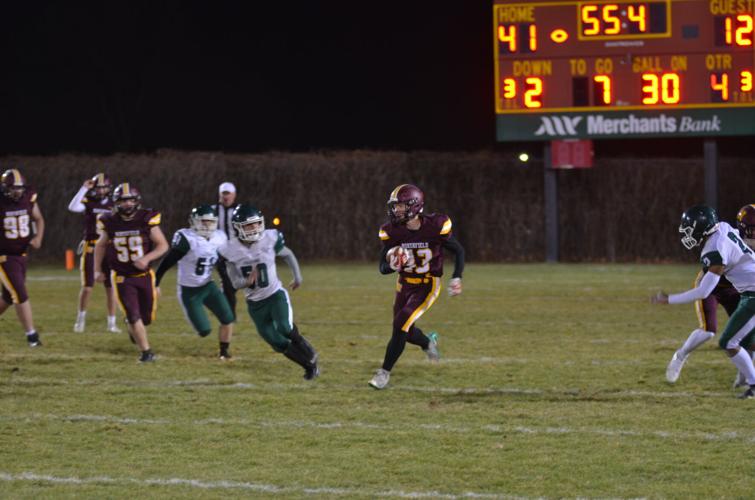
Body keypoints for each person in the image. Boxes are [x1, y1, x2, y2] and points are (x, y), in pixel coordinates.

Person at [651, 205, 755, 399]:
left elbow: (703, 290)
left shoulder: (716, 246)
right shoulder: (722, 228)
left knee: (736, 340)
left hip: (743, 292)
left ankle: (750, 381)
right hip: (727, 288)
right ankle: (681, 356)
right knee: (718, 333)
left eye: (690, 228)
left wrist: (668, 299)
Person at [369, 184, 465, 390]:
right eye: (395, 207)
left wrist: (456, 277)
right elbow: (382, 267)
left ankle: (384, 373)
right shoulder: (392, 231)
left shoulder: (435, 226)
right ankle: (428, 342)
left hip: (427, 285)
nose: (396, 211)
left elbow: (458, 250)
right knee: (407, 330)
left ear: (414, 206)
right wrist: (393, 263)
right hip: (403, 285)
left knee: (400, 324)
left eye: (401, 207)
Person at [217, 204, 319, 379]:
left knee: (284, 327)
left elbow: (287, 254)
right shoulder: (229, 250)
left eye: (257, 224)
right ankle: (309, 367)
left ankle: (303, 344)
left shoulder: (270, 238)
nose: (255, 228)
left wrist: (297, 276)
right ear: (238, 227)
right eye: (250, 225)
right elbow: (234, 282)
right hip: (255, 304)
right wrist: (246, 281)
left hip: (274, 295)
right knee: (276, 342)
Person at [94, 183, 169, 362]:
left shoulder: (146, 218)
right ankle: (146, 352)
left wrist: (147, 258)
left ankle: (132, 325)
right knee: (133, 314)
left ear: (137, 201)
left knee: (147, 318)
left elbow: (163, 245)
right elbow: (100, 245)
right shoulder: (109, 221)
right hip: (121, 277)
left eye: (130, 200)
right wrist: (97, 270)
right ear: (116, 202)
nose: (127, 204)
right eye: (122, 201)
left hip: (144, 276)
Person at [155, 204, 235, 359]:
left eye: (209, 221)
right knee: (204, 331)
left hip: (207, 285)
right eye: (202, 221)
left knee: (228, 318)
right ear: (193, 222)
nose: (206, 225)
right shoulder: (187, 238)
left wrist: (226, 280)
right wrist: (156, 281)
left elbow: (220, 262)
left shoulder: (219, 237)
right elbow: (168, 261)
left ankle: (224, 352)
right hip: (189, 291)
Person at [67, 173, 120, 333]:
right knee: (87, 287)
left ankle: (111, 323)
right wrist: (84, 188)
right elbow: (73, 207)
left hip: (108, 249)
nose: (101, 190)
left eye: (104, 187)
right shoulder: (89, 202)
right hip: (91, 248)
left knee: (111, 288)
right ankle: (80, 320)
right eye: (98, 187)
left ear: (109, 189)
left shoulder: (114, 204)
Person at [0, 168, 45, 347]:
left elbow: (39, 219)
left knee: (8, 298)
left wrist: (38, 237)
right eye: (13, 188)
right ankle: (32, 336)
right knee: (20, 293)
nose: (17, 191)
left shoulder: (28, 197)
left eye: (19, 188)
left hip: (22, 254)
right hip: (4, 256)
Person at [213, 182, 239, 320]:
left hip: (238, 253)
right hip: (220, 254)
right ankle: (230, 316)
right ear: (219, 195)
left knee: (233, 285)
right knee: (228, 283)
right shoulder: (213, 211)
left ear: (234, 195)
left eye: (228, 193)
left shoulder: (239, 211)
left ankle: (226, 304)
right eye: (224, 194)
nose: (226, 197)